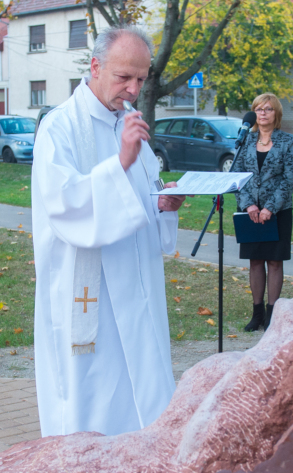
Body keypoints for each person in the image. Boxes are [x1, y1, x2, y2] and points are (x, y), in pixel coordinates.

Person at [31, 26, 186, 437]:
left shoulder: (129, 124)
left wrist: (163, 204)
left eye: (141, 78)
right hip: (89, 295)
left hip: (137, 291)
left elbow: (142, 198)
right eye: (124, 78)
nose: (134, 89)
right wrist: (119, 163)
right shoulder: (60, 127)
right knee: (94, 398)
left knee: (143, 398)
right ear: (96, 66)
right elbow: (65, 205)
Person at [231, 93, 293, 331]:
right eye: (258, 109)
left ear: (276, 113)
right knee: (255, 261)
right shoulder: (245, 141)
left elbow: (289, 180)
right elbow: (237, 177)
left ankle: (272, 315)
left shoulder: (288, 141)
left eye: (267, 109)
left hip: (277, 211)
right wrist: (249, 204)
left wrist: (269, 207)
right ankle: (256, 313)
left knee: (275, 261)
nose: (262, 113)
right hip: (250, 212)